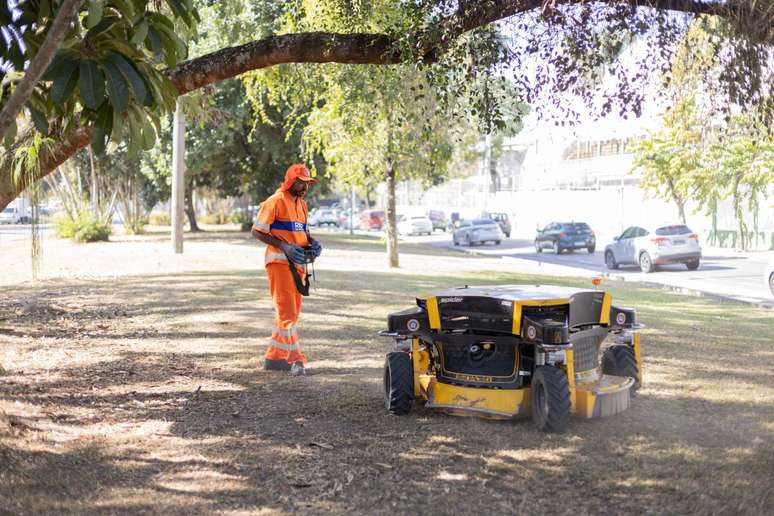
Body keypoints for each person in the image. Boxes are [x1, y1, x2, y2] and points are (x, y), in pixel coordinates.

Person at [252, 164, 322, 376]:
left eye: (307, 183)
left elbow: (302, 232)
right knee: (287, 313)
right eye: (301, 182)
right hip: (279, 263)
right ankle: (296, 359)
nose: (305, 187)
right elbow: (257, 231)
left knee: (291, 314)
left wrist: (312, 243)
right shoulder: (275, 201)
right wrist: (284, 246)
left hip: (297, 265)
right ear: (291, 181)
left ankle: (275, 358)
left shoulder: (302, 205)